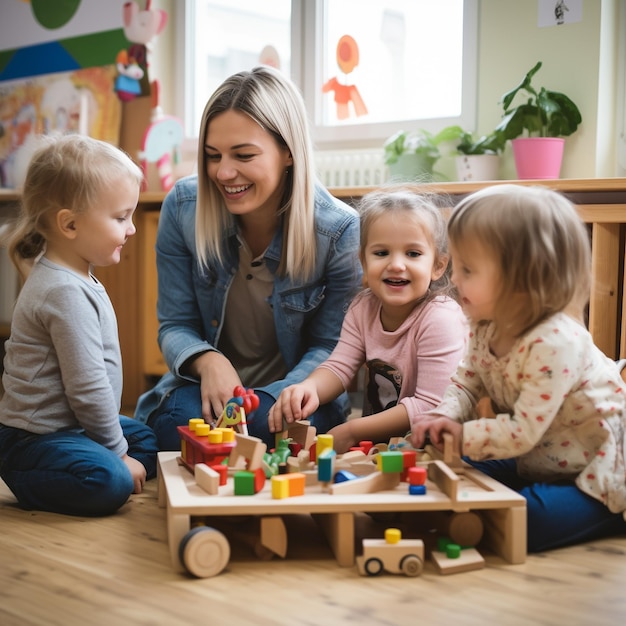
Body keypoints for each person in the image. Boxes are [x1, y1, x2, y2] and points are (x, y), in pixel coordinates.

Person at [134, 65, 363, 450]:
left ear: (288, 152)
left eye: (243, 155)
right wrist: (209, 363)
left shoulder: (340, 231)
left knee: (260, 428)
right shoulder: (182, 207)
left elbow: (331, 348)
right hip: (206, 393)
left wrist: (282, 396)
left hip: (295, 393)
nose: (223, 172)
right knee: (175, 421)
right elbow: (174, 325)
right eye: (212, 155)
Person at [411, 184, 626, 552]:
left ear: (523, 280)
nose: (454, 279)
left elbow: (522, 431)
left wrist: (463, 435)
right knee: (444, 466)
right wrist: (442, 418)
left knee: (526, 523)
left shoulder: (555, 342)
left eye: (467, 269)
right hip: (537, 456)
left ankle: (607, 511)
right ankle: (481, 507)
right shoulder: (486, 325)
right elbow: (465, 384)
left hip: (593, 469)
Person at [0, 134, 159, 517]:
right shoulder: (63, 292)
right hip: (33, 438)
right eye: (121, 218)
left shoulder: (75, 276)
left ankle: (96, 457)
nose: (132, 228)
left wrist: (121, 445)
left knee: (150, 442)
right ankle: (25, 477)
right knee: (111, 481)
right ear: (70, 225)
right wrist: (119, 454)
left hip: (73, 426)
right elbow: (87, 390)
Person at [269, 188, 467, 453]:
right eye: (381, 253)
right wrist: (308, 387)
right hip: (381, 447)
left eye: (413, 254)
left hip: (437, 448)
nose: (396, 265)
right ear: (362, 260)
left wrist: (352, 431)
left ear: (438, 266)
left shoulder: (440, 318)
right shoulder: (363, 306)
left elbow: (430, 406)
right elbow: (340, 366)